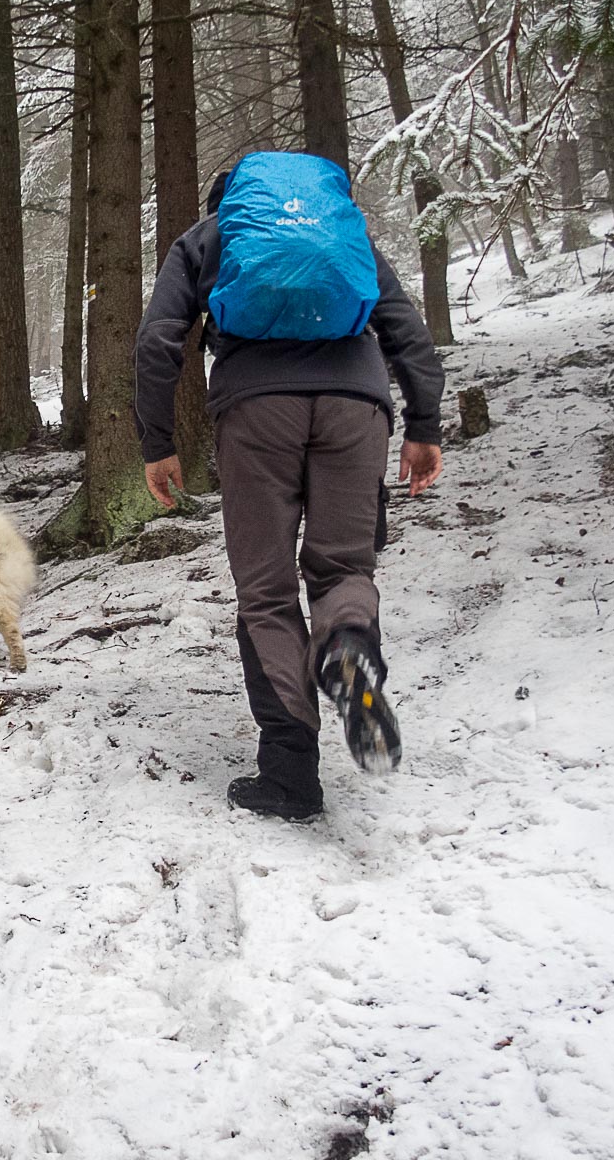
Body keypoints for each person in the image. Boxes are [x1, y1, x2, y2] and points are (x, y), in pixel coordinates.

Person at [133, 151, 445, 822]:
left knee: (266, 592)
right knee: (342, 567)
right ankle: (348, 648)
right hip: (357, 406)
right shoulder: (346, 232)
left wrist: (158, 443)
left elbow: (159, 341)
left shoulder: (207, 238)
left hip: (255, 413)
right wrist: (424, 421)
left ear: (229, 201)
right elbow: (405, 328)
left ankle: (290, 773)